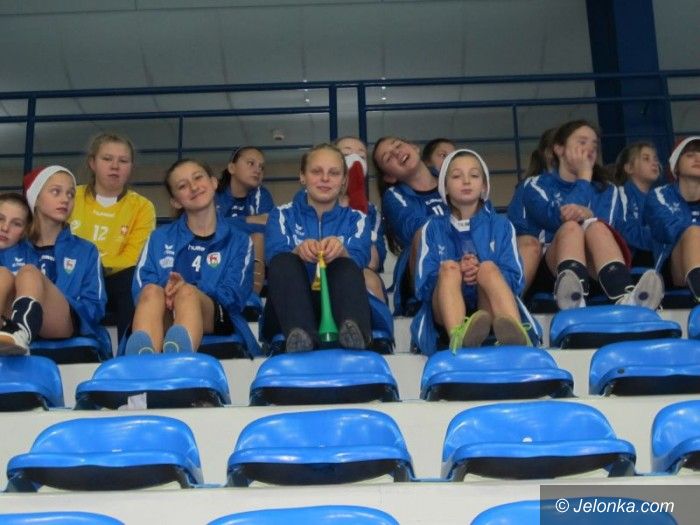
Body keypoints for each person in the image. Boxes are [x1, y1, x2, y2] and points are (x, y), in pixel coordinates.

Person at [521, 120, 664, 310]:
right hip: (552, 272)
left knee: (597, 226)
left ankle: (625, 297)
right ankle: (572, 297)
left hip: (598, 273)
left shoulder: (608, 190)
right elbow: (555, 218)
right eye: (582, 142)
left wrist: (589, 216)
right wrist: (583, 179)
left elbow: (610, 232)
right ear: (559, 149)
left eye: (594, 145)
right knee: (571, 227)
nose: (589, 149)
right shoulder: (536, 184)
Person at [126, 159, 257, 355]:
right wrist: (169, 291)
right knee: (151, 291)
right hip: (165, 310)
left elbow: (233, 296)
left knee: (187, 293)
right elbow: (140, 286)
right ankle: (145, 361)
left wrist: (188, 288)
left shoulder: (239, 240)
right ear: (175, 201)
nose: (194, 187)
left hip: (217, 315)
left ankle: (179, 360)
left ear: (213, 182)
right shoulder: (159, 238)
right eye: (182, 186)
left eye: (198, 178)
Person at [411, 149, 536, 355]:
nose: (466, 181)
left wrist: (478, 271)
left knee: (488, 268)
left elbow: (516, 279)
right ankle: (459, 337)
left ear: (484, 186)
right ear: (445, 187)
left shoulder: (501, 225)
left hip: (489, 307)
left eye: (474, 175)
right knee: (448, 268)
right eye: (457, 176)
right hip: (444, 310)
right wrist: (460, 271)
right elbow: (423, 286)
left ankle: (517, 337)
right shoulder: (431, 228)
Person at [263, 143, 372, 352]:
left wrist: (342, 251)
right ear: (302, 176)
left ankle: (353, 331)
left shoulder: (357, 219)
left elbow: (360, 257)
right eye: (316, 171)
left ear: (344, 180)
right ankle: (300, 335)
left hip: (340, 305)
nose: (325, 178)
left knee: (346, 264)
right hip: (289, 310)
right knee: (283, 261)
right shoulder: (281, 214)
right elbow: (274, 255)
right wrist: (298, 251)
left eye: (334, 173)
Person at [0, 166, 109, 356]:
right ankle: (15, 331)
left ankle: (20, 331)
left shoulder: (86, 250)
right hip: (11, 322)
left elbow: (95, 306)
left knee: (29, 272)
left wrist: (56, 298)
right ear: (36, 198)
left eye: (71, 194)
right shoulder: (12, 249)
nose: (65, 199)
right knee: (2, 274)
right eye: (56, 192)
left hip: (66, 324)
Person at [69, 133, 155, 342]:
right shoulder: (71, 197)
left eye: (123, 161)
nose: (115, 166)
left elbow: (133, 257)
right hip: (75, 275)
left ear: (131, 167)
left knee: (132, 279)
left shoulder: (142, 206)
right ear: (92, 163)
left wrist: (96, 266)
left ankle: (130, 349)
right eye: (107, 159)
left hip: (115, 280)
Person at [373, 136, 448, 315]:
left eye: (398, 145)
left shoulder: (451, 178)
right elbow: (414, 229)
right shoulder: (393, 196)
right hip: (424, 277)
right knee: (423, 232)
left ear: (415, 147)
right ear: (390, 177)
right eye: (388, 158)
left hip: (465, 264)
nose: (396, 152)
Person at [645, 136, 700, 302]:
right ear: (675, 166)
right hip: (672, 269)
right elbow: (669, 230)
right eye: (690, 155)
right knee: (692, 232)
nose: (698, 158)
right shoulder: (659, 195)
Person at [215, 146, 273, 295]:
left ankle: (252, 298)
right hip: (217, 252)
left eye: (261, 167)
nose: (257, 170)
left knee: (257, 238)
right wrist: (249, 220)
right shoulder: (214, 194)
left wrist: (228, 223)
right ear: (232, 168)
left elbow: (269, 224)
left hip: (249, 253)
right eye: (251, 163)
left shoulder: (262, 195)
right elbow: (210, 227)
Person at [335, 136, 387, 300]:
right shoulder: (308, 202)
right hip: (317, 273)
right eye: (346, 154)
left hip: (358, 273)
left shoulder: (371, 212)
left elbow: (372, 262)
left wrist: (358, 208)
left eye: (362, 157)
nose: (355, 160)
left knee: (368, 280)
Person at [507, 127, 556, 294]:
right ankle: (510, 302)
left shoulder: (596, 187)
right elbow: (517, 232)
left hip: (581, 259)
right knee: (529, 243)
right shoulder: (530, 186)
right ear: (550, 152)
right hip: (542, 262)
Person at [614, 141, 661, 267]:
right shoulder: (620, 195)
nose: (654, 163)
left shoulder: (660, 198)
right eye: (646, 159)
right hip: (631, 260)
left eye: (655, 159)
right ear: (629, 168)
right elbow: (625, 231)